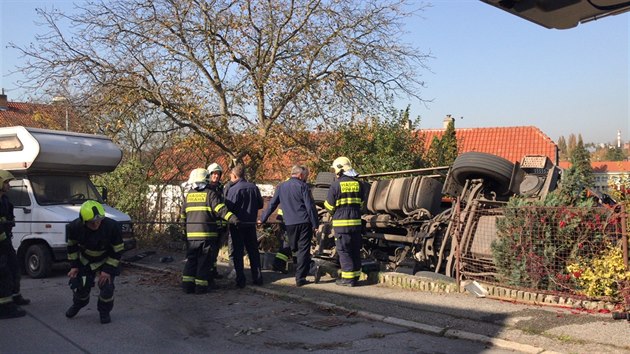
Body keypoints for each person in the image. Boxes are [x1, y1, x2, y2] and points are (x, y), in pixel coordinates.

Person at [65, 200, 124, 324]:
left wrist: (107, 270)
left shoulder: (112, 227)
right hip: (85, 262)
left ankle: (104, 312)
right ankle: (78, 304)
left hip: (105, 261)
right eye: (92, 223)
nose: (96, 224)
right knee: (81, 286)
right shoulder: (74, 227)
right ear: (84, 221)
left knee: (107, 288)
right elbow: (72, 247)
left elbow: (117, 250)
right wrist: (74, 266)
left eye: (99, 220)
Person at [181, 168, 238, 294]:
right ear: (206, 179)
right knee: (204, 262)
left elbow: (182, 216)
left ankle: (187, 286)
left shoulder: (189, 195)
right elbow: (221, 210)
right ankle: (201, 287)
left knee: (191, 261)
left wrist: (184, 231)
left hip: (191, 237)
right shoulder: (210, 194)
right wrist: (234, 219)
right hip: (206, 235)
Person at [259, 165, 318, 287]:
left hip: (289, 224)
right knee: (303, 250)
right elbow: (310, 206)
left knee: (293, 247)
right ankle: (300, 278)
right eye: (305, 176)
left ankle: (289, 267)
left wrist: (263, 219)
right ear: (301, 175)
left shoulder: (281, 186)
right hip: (303, 222)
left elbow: (272, 204)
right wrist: (315, 223)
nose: (305, 178)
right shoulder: (303, 186)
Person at [324, 157, 366, 287]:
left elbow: (329, 207)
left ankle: (348, 279)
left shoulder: (336, 185)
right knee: (355, 250)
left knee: (344, 251)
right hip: (356, 224)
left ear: (339, 169)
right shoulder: (359, 184)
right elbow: (362, 205)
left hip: (341, 225)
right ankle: (356, 276)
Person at [225, 164, 264, 288]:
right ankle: (257, 278)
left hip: (237, 225)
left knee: (237, 252)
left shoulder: (233, 189)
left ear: (235, 175)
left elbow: (228, 208)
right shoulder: (253, 187)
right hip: (251, 225)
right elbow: (260, 204)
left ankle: (240, 280)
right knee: (253, 251)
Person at [0, 170, 29, 319]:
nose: (9, 186)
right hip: (2, 242)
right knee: (3, 275)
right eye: (6, 183)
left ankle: (15, 296)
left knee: (14, 267)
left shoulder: (4, 200)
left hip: (5, 241)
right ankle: (4, 308)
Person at [207, 162, 226, 279]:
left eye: (218, 174)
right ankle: (208, 271)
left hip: (219, 223)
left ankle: (213, 270)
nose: (216, 176)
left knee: (215, 250)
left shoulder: (221, 187)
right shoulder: (206, 188)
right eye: (214, 174)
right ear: (209, 175)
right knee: (209, 250)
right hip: (208, 223)